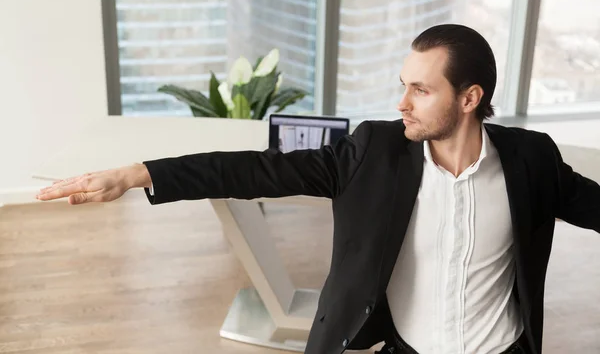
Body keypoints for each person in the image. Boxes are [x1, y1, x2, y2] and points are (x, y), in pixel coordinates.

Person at [36, 24, 600, 354]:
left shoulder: (532, 161)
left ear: (470, 98)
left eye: (421, 91)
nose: (401, 102)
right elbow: (251, 169)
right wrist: (134, 174)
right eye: (403, 85)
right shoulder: (371, 153)